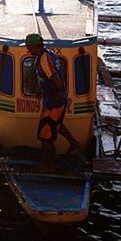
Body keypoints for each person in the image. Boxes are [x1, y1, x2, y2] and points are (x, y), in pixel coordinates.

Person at [25, 32, 79, 169]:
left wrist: (55, 97)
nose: (28, 49)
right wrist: (39, 90)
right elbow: (45, 77)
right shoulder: (46, 55)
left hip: (55, 103)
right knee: (57, 125)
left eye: (29, 47)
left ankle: (50, 165)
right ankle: (73, 142)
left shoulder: (44, 60)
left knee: (45, 135)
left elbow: (57, 82)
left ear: (36, 46)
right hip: (51, 100)